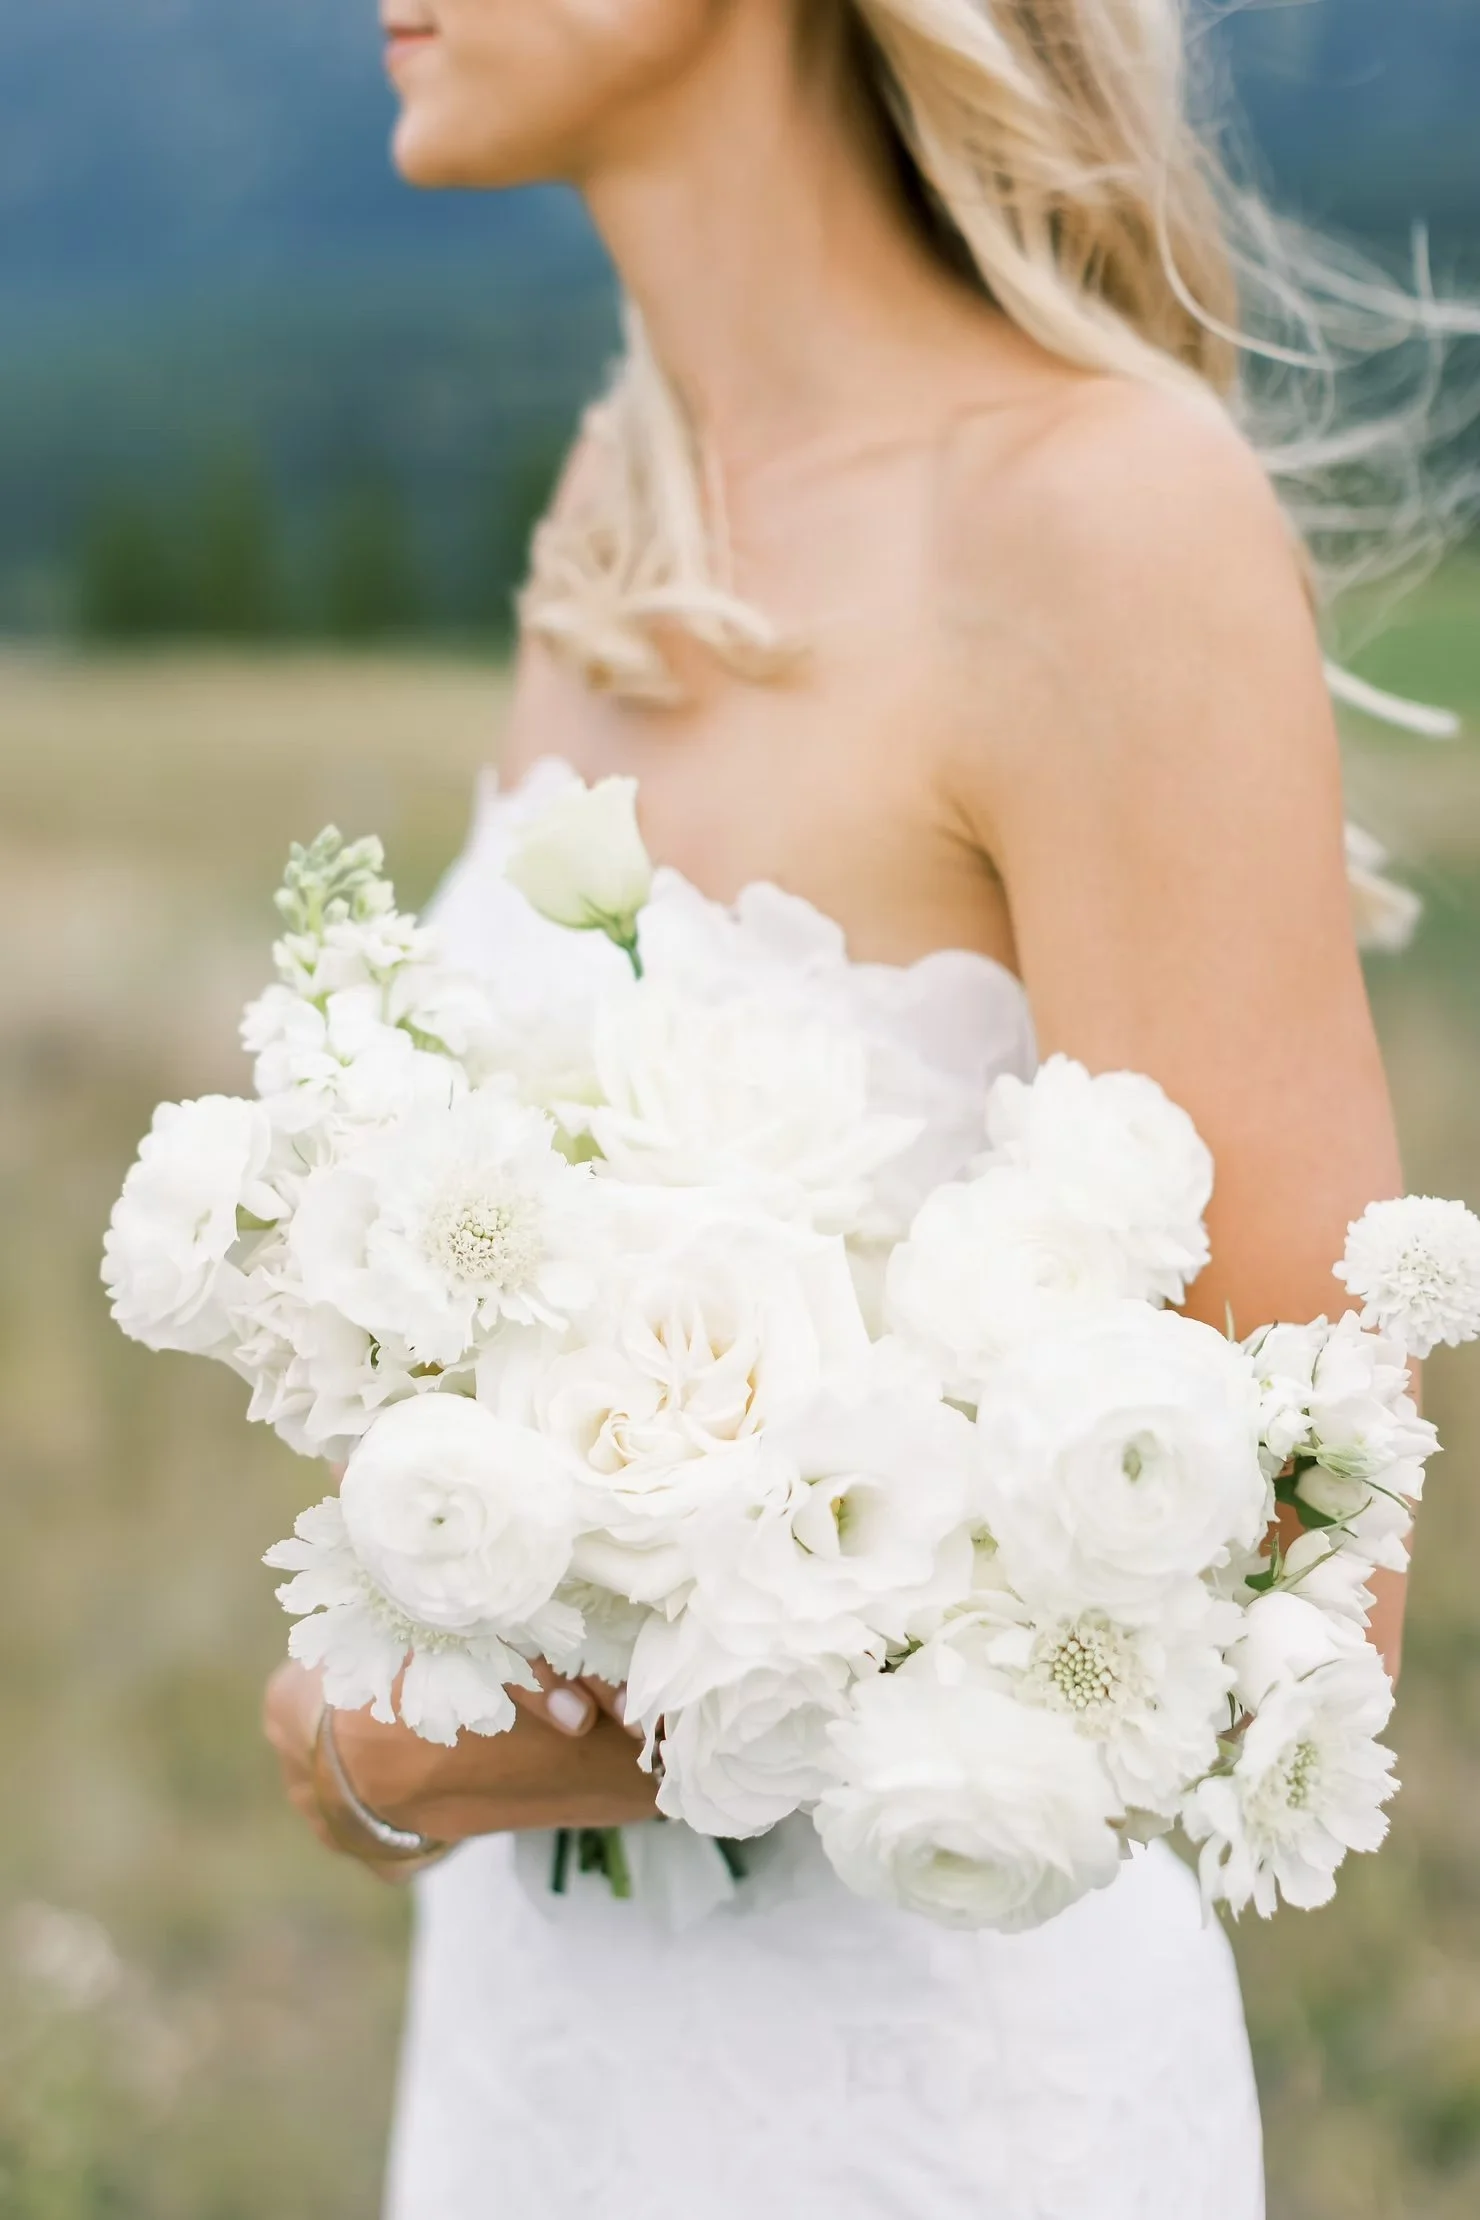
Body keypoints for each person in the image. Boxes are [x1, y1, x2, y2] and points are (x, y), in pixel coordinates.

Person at [264, 5, 1463, 2212]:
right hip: (544, 2082)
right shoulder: (624, 523)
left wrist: (478, 1723)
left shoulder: (1102, 523)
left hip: (945, 2110)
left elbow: (1302, 1566)